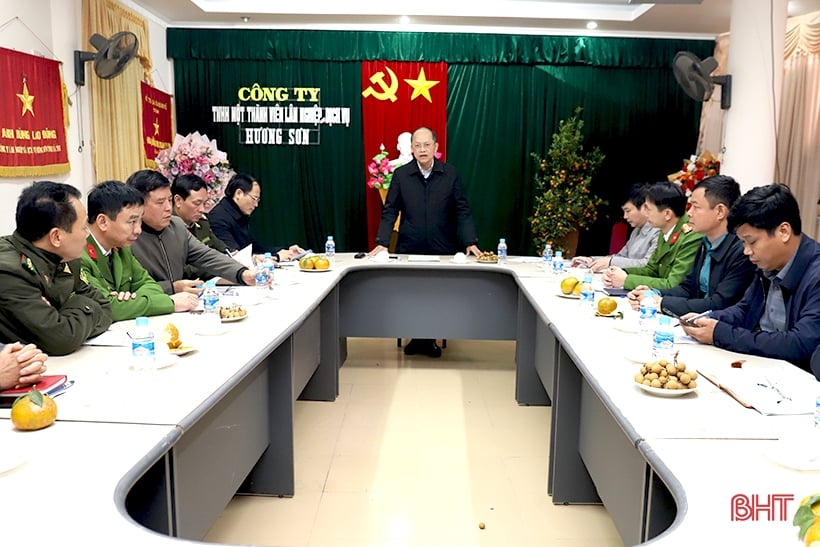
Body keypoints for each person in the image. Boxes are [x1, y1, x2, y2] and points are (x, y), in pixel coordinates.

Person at [682, 184, 820, 373]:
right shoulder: (767, 265)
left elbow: (801, 343)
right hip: (761, 365)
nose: (747, 251)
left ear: (784, 231)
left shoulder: (815, 274)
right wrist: (708, 319)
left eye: (752, 241)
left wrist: (720, 333)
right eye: (743, 243)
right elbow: (745, 309)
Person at [369, 126, 482, 358]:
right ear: (412, 149)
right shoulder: (401, 175)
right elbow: (390, 211)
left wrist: (470, 241)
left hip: (443, 246)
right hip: (410, 245)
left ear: (436, 147)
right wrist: (382, 241)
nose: (422, 150)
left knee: (436, 293)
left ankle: (430, 338)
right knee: (410, 293)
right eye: (417, 145)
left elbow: (462, 210)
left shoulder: (450, 174)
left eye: (426, 145)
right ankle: (416, 337)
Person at [0, 181, 112, 355]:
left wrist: (62, 312)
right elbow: (61, 339)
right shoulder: (10, 272)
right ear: (56, 237)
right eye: (83, 228)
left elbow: (105, 308)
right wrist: (79, 306)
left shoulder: (64, 257)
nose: (87, 234)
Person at [628, 176, 754, 316]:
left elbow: (719, 303)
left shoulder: (741, 251)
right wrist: (652, 293)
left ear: (720, 212)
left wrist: (661, 303)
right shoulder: (705, 243)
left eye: (696, 207)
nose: (689, 213)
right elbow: (687, 288)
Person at [127, 169, 259, 295]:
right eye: (160, 202)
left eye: (169, 200)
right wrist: (171, 288)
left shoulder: (176, 226)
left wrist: (241, 273)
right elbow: (129, 289)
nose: (168, 208)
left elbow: (206, 256)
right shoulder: (127, 239)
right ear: (139, 205)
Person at [81, 181, 199, 321]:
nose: (138, 230)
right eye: (132, 222)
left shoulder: (121, 249)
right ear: (103, 222)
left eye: (139, 221)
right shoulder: (79, 254)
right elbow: (106, 307)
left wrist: (130, 302)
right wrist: (170, 303)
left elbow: (150, 285)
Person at [603, 181, 701, 291]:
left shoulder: (691, 237)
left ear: (667, 214)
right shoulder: (665, 228)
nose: (645, 213)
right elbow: (651, 269)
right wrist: (620, 272)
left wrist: (626, 280)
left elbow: (673, 285)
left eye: (648, 209)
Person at [208, 173, 304, 262]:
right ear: (238, 193)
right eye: (254, 199)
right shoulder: (218, 218)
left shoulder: (238, 214)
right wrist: (277, 256)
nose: (256, 205)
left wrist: (285, 250)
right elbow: (235, 256)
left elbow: (254, 247)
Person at [572, 182, 660, 271]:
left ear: (644, 207)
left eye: (628, 211)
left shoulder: (658, 231)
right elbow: (620, 257)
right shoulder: (636, 230)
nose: (625, 216)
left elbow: (648, 265)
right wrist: (591, 260)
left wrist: (611, 262)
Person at [171, 174, 231, 279]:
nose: (202, 209)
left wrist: (238, 257)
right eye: (197, 203)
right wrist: (217, 266)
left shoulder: (202, 223)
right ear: (178, 201)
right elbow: (182, 270)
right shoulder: (168, 227)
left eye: (204, 203)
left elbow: (222, 248)